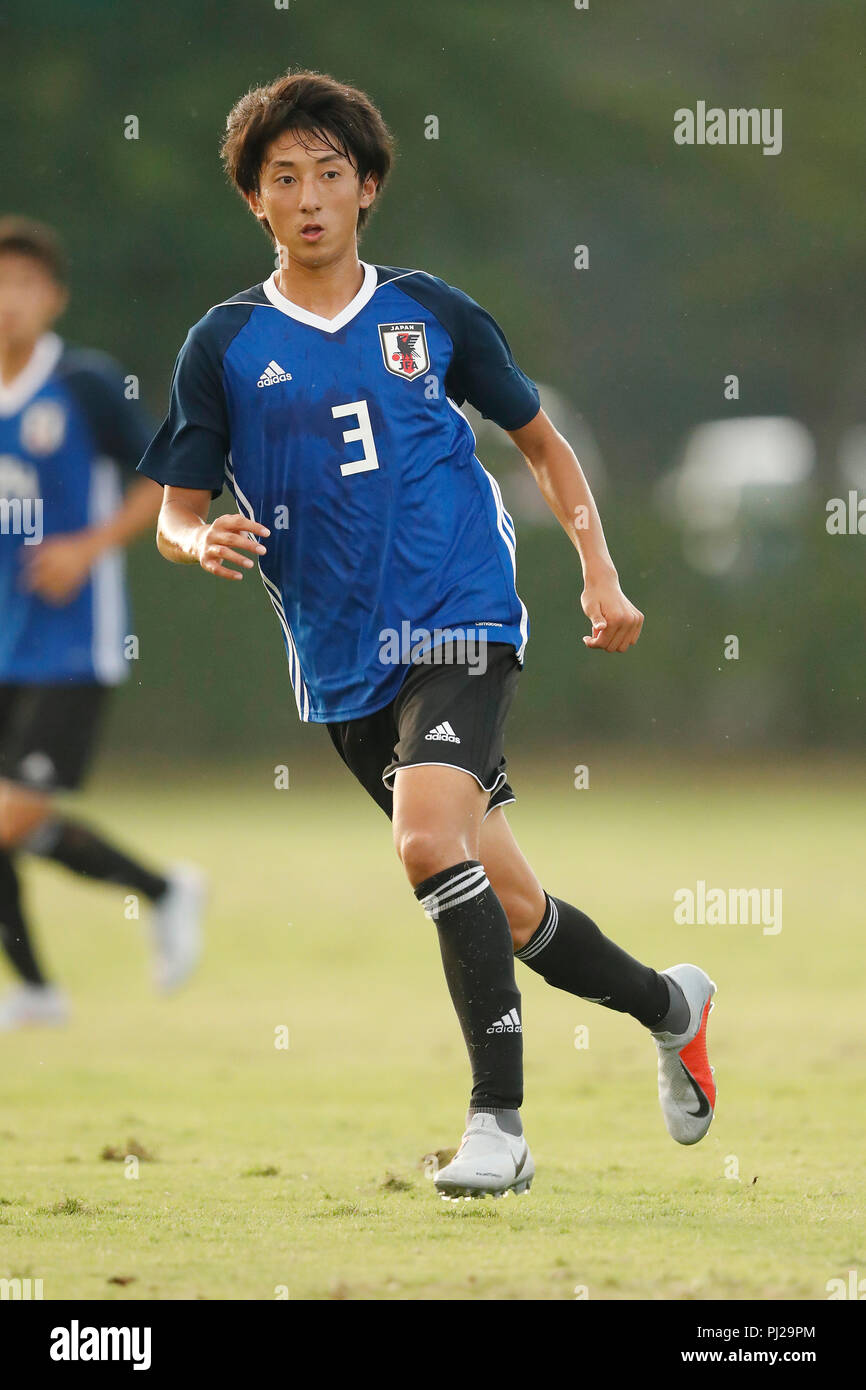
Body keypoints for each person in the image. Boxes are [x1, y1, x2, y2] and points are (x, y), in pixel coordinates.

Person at [138, 70, 716, 1199]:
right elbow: (175, 506)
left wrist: (599, 573)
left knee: (420, 844)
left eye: (328, 174)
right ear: (254, 202)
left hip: (461, 614)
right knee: (506, 903)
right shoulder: (223, 342)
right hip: (343, 662)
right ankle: (671, 1005)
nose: (308, 196)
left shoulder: (431, 313)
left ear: (367, 188)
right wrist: (189, 541)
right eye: (282, 179)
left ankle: (495, 1125)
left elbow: (542, 444)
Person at [0, 217, 205, 1028]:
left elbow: (166, 478)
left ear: (53, 299)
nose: (7, 303)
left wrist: (87, 547)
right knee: (16, 824)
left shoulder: (84, 384)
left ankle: (152, 900)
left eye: (23, 286)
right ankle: (50, 982)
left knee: (11, 819)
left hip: (72, 645)